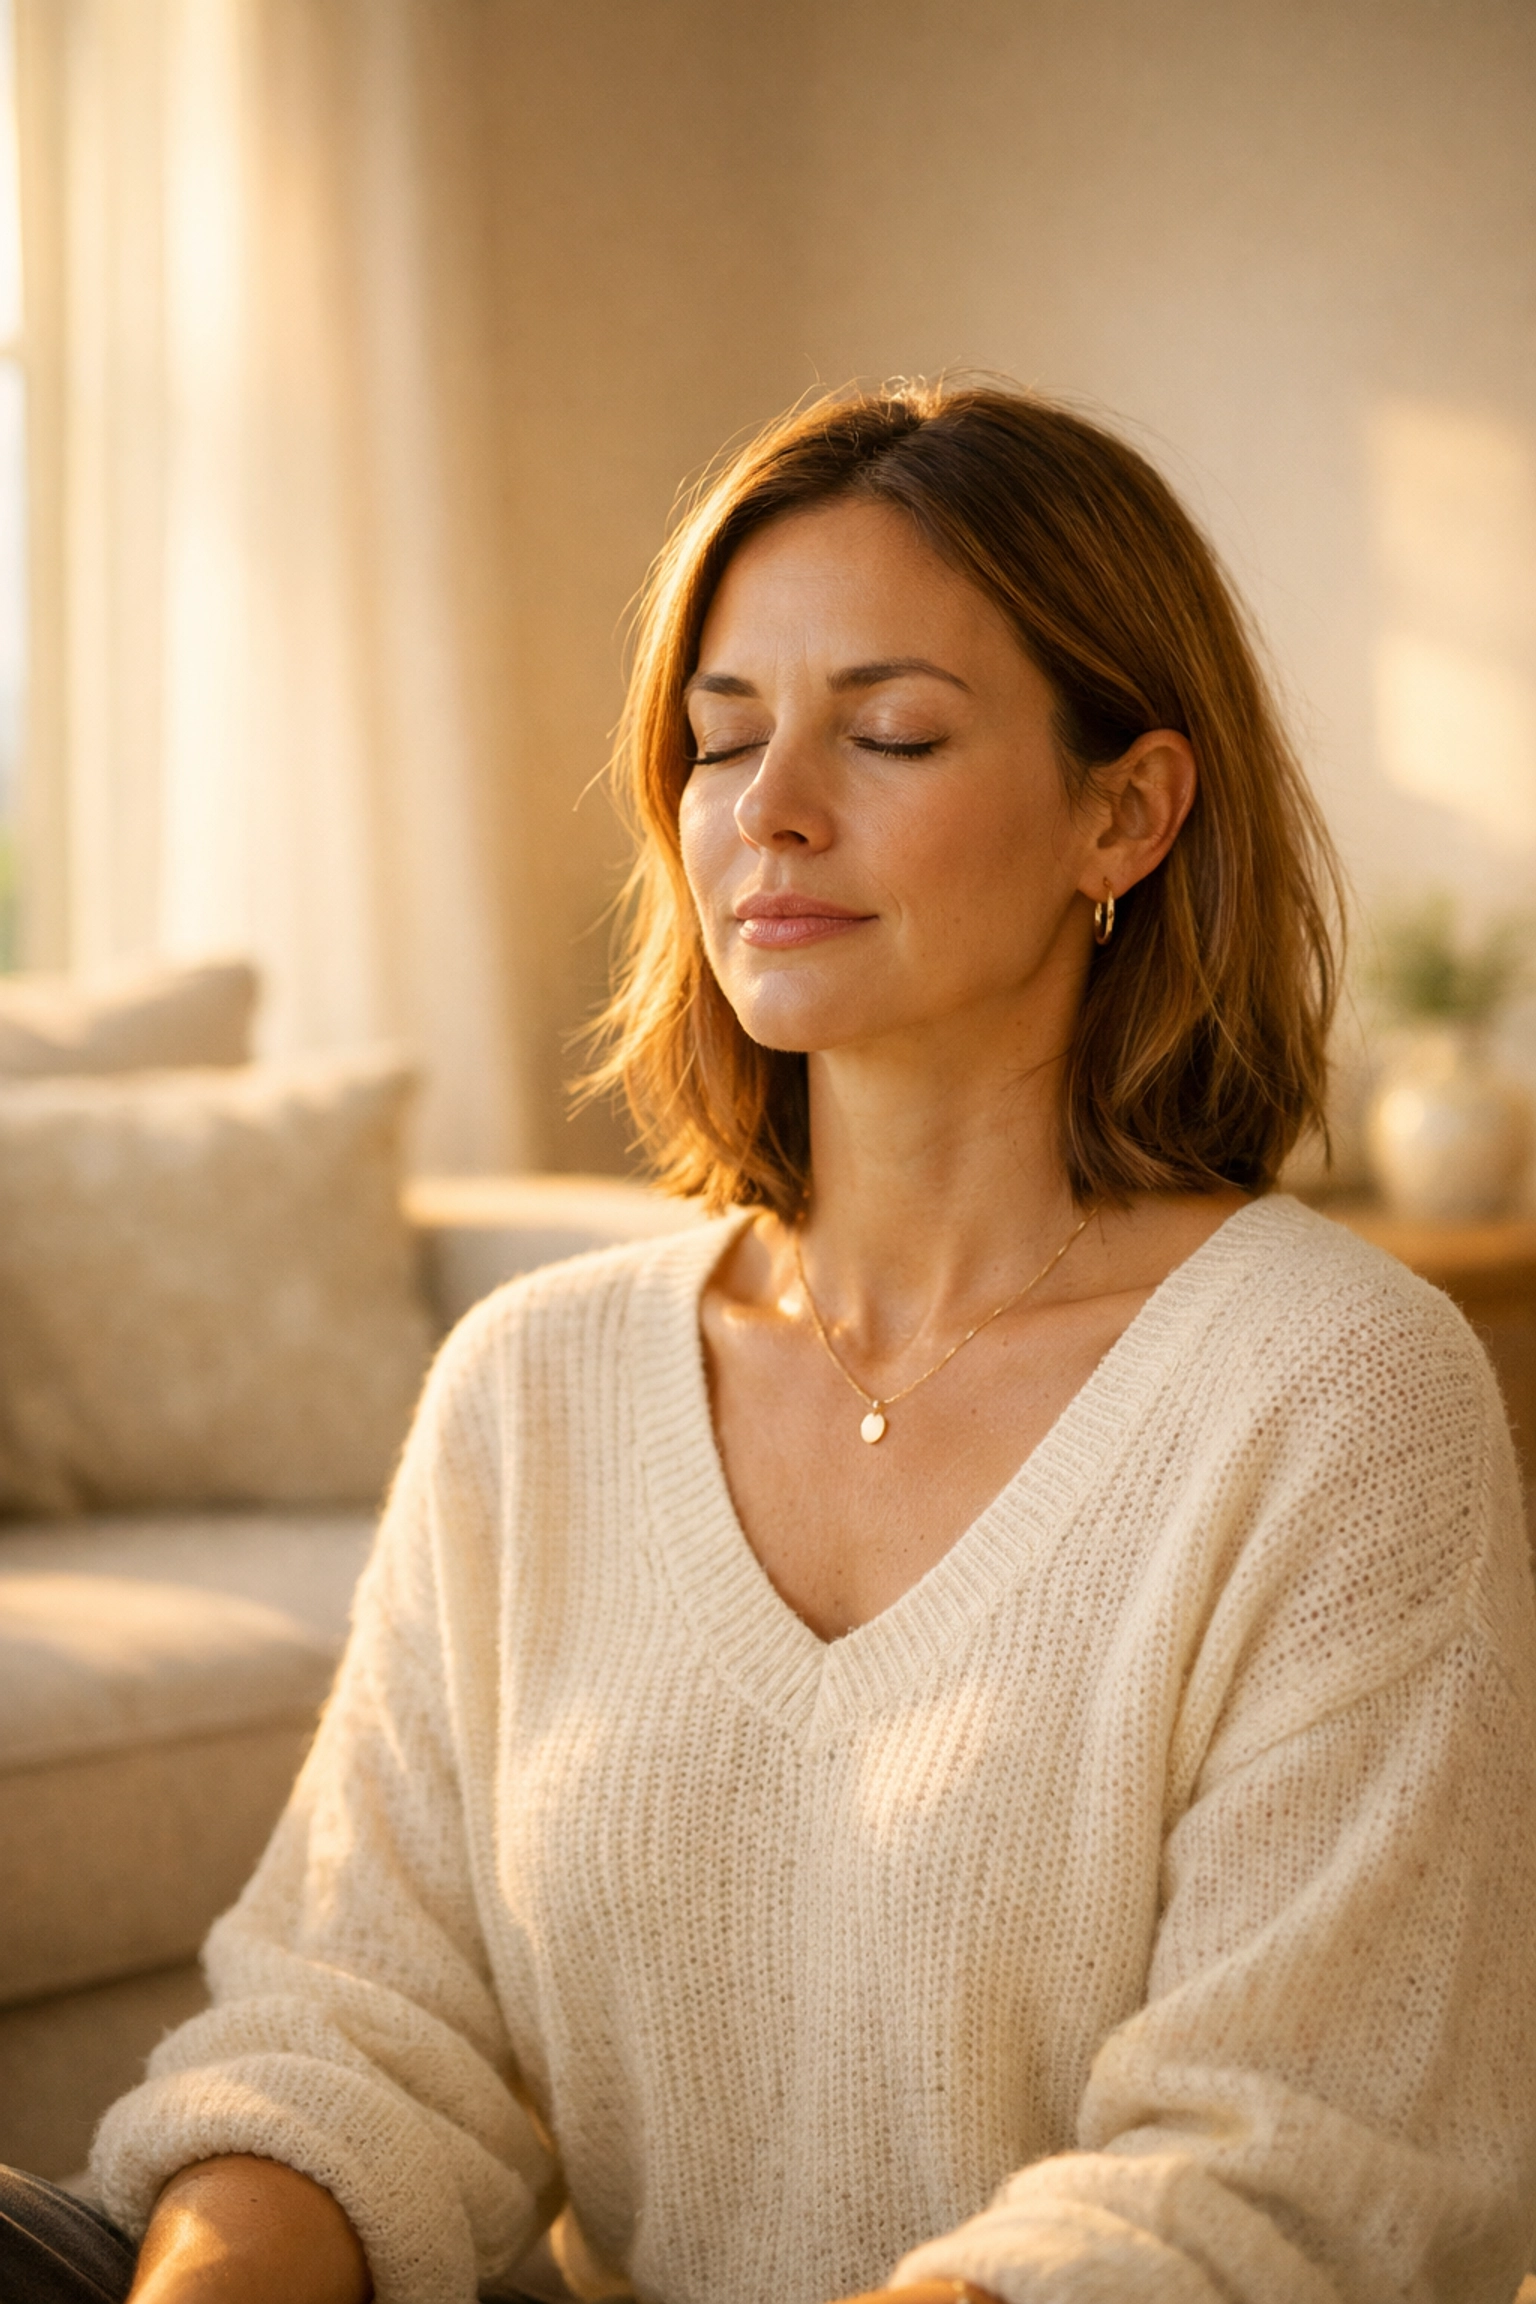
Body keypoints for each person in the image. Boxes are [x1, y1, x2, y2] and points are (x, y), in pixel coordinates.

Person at [4, 380, 1534, 2304]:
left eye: (889, 732)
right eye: (723, 743)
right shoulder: (530, 1384)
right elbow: (351, 2034)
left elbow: (1278, 2174)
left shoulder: (1333, 1393)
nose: (773, 812)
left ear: (1123, 811)